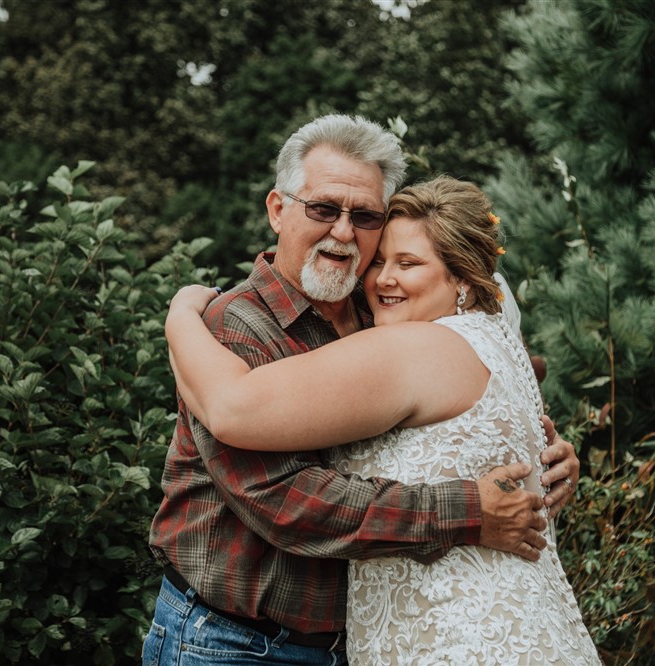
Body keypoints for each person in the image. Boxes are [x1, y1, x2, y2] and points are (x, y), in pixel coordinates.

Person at [145, 115, 581, 666]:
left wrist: (543, 457)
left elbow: (481, 388)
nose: (344, 232)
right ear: (278, 210)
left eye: (366, 216)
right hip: (234, 643)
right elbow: (282, 500)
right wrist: (469, 510)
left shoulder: (384, 317)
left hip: (367, 644)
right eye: (324, 208)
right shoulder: (236, 327)